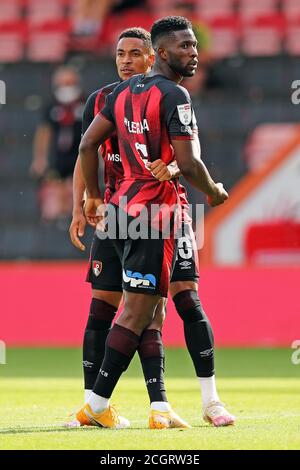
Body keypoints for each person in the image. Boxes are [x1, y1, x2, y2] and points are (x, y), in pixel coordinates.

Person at [76, 16, 231, 429]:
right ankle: (94, 406)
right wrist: (214, 192)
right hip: (155, 213)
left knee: (159, 307)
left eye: (195, 45)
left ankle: (159, 406)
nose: (193, 53)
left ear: (148, 57)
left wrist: (93, 197)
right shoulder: (175, 94)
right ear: (162, 53)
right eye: (185, 46)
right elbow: (189, 160)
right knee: (138, 312)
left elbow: (88, 143)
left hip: (124, 211)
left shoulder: (122, 94)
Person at [30, 66, 85, 222]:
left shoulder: (86, 103)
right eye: (62, 84)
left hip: (79, 154)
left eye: (69, 83)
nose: (66, 88)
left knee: (77, 187)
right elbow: (44, 133)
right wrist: (40, 158)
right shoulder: (51, 107)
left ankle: (77, 215)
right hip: (58, 155)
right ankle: (61, 217)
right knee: (57, 184)